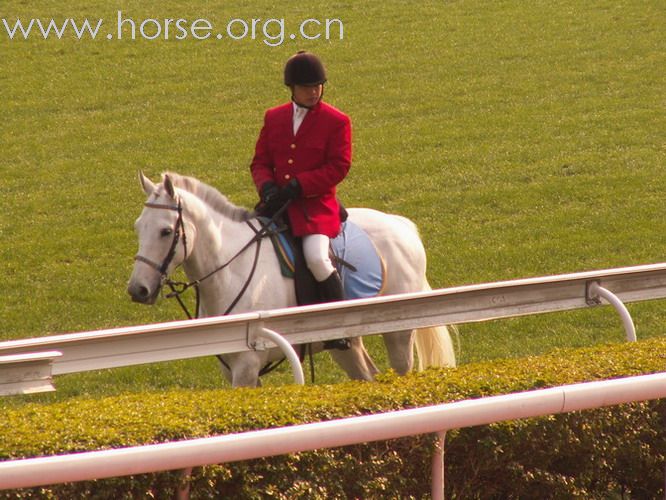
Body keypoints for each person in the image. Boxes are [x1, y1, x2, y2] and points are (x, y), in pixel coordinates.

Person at [250, 50, 352, 303]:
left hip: (314, 208)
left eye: (318, 86)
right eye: (307, 87)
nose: (314, 92)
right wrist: (267, 187)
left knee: (317, 259)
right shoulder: (273, 117)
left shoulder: (337, 121)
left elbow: (339, 166)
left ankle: (341, 324)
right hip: (276, 205)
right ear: (292, 87)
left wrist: (301, 184)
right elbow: (260, 162)